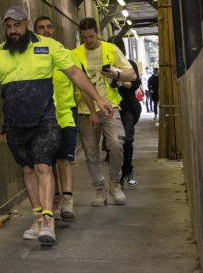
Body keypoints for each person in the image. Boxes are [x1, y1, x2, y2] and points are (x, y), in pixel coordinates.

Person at [0, 7, 113, 246]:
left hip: (44, 121)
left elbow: (75, 73)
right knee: (28, 170)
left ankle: (49, 220)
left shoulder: (48, 47)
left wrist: (99, 100)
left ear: (26, 24)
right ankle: (38, 217)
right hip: (15, 123)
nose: (12, 31)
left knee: (42, 166)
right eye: (8, 26)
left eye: (17, 25)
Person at [71, 18, 136, 206]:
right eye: (84, 37)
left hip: (110, 107)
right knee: (91, 152)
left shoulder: (110, 49)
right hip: (85, 109)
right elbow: (77, 83)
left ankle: (114, 184)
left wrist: (116, 74)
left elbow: (131, 75)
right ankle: (99, 189)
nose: (88, 41)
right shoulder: (75, 54)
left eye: (91, 36)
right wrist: (91, 110)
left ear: (97, 33)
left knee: (116, 144)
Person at [34, 16, 85, 221]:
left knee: (64, 158)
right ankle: (53, 200)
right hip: (41, 116)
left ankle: (67, 200)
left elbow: (81, 83)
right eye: (41, 28)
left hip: (65, 114)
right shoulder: (32, 57)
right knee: (47, 161)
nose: (46, 30)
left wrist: (92, 108)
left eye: (49, 27)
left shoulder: (65, 55)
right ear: (35, 32)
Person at [109, 37, 142, 188]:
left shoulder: (129, 65)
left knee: (127, 140)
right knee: (115, 145)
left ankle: (128, 171)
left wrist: (120, 79)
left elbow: (136, 84)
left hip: (127, 107)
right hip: (109, 108)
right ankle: (117, 179)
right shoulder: (105, 67)